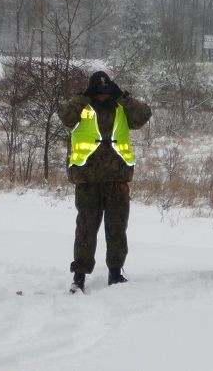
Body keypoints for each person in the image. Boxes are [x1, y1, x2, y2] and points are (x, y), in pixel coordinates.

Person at [58, 69, 151, 293]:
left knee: (117, 229)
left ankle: (115, 274)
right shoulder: (82, 108)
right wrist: (83, 96)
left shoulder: (121, 108)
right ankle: (79, 276)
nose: (102, 94)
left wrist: (123, 96)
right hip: (87, 180)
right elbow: (65, 116)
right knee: (86, 230)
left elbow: (143, 115)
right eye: (97, 90)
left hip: (117, 180)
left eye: (105, 89)